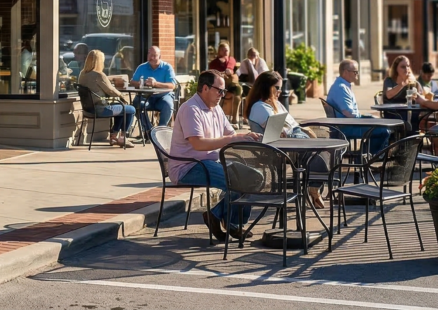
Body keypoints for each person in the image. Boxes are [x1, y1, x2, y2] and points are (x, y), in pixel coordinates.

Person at [167, 70, 261, 240]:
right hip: (188, 166)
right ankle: (226, 221)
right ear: (205, 88)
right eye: (219, 90)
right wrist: (232, 138)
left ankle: (219, 216)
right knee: (238, 181)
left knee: (255, 177)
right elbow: (199, 144)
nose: (223, 95)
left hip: (210, 161)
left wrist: (247, 136)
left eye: (223, 91)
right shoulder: (191, 109)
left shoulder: (216, 108)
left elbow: (230, 134)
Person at [244, 71, 326, 208]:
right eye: (277, 88)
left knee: (325, 152)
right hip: (280, 147)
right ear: (266, 87)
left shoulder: (276, 104)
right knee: (319, 154)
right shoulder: (260, 107)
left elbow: (289, 126)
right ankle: (312, 187)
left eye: (281, 88)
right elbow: (279, 132)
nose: (280, 91)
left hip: (293, 138)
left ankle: (312, 186)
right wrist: (290, 129)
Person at [325, 59, 391, 154]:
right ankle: (365, 158)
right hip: (346, 127)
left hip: (345, 125)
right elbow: (348, 113)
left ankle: (365, 155)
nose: (357, 74)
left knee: (381, 125)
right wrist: (366, 118)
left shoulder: (342, 85)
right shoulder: (341, 88)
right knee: (383, 130)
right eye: (355, 72)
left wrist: (369, 118)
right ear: (345, 72)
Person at [79, 49, 136, 148]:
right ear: (99, 61)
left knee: (122, 109)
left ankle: (114, 137)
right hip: (101, 109)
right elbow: (111, 91)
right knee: (131, 109)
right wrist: (122, 96)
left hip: (88, 109)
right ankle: (123, 138)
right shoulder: (99, 75)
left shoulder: (82, 74)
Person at [130, 46, 178, 127]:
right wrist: (142, 83)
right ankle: (149, 131)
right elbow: (132, 81)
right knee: (137, 104)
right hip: (145, 98)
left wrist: (155, 84)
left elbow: (172, 86)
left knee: (168, 104)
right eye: (149, 54)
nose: (151, 57)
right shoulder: (142, 67)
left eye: (154, 55)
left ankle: (160, 130)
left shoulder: (167, 68)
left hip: (163, 97)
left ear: (160, 56)